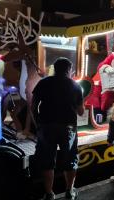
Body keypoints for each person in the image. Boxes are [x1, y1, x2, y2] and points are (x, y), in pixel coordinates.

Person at [31, 57, 84, 200]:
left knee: (47, 160)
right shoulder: (75, 86)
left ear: (54, 68)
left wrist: (38, 124)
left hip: (46, 126)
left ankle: (49, 193)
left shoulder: (44, 83)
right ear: (69, 70)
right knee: (70, 158)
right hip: (68, 128)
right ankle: (69, 191)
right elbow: (81, 112)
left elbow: (33, 106)